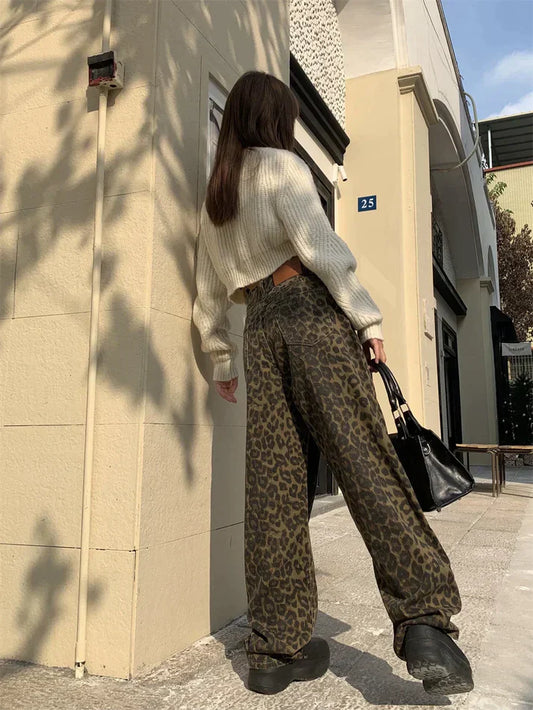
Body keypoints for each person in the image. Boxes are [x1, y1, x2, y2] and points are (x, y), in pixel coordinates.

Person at [192, 70, 473, 697]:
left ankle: (275, 649)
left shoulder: (217, 195)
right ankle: (425, 622)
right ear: (273, 119)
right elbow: (321, 249)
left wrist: (222, 360)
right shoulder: (283, 168)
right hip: (311, 313)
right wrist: (367, 319)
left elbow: (207, 295)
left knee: (273, 491)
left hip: (259, 330)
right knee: (364, 460)